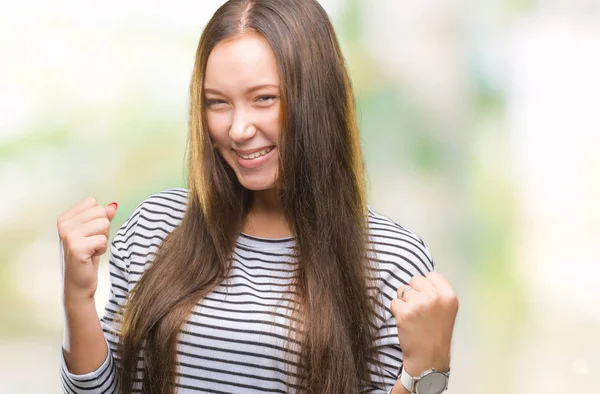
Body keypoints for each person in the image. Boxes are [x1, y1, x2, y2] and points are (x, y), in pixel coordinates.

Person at [57, 0, 459, 393]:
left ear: (315, 99)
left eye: (264, 98)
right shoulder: (154, 226)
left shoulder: (391, 259)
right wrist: (77, 297)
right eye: (218, 103)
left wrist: (424, 375)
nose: (238, 129)